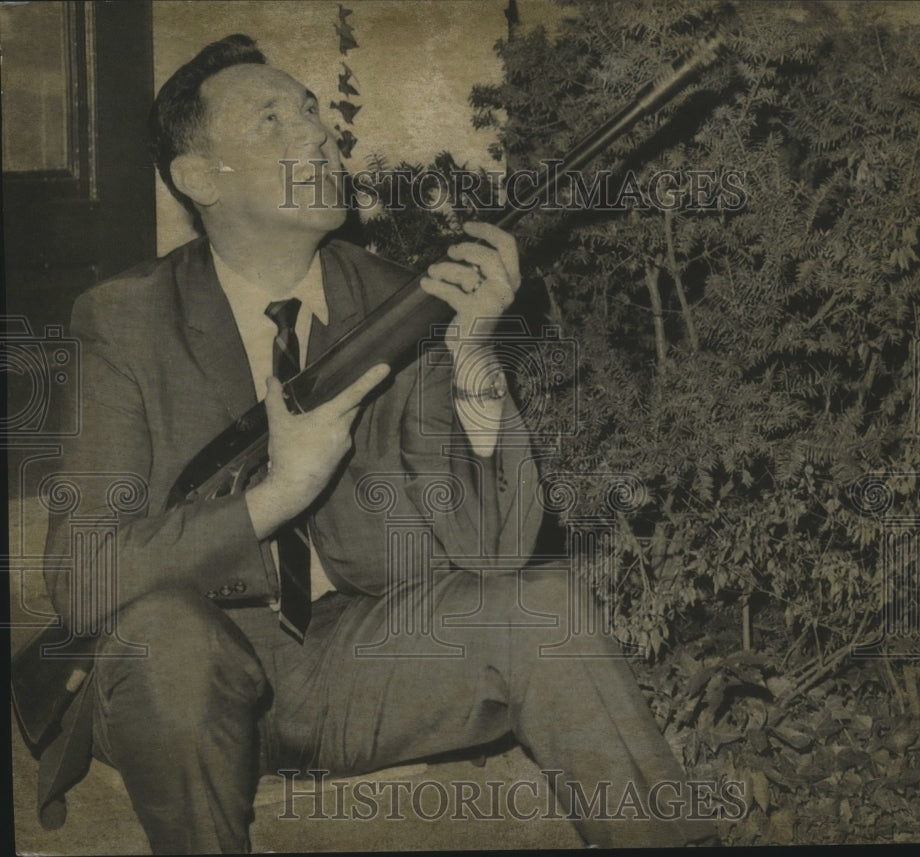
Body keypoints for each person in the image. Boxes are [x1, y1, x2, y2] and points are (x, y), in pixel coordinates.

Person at [37, 34, 716, 852]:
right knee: (172, 643)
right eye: (272, 120)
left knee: (546, 606)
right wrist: (274, 499)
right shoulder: (123, 320)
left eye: (314, 112)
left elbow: (496, 553)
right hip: (182, 682)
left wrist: (472, 359)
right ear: (198, 177)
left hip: (354, 667)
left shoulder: (397, 302)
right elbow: (84, 577)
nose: (318, 133)